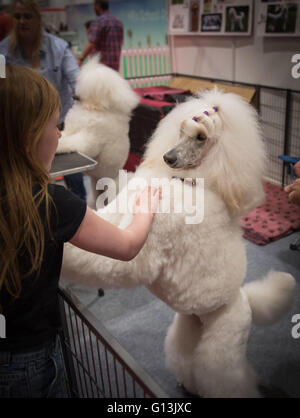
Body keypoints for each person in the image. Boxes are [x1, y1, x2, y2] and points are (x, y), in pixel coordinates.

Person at [0, 64, 160, 398]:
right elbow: (128, 245)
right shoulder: (52, 203)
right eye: (51, 124)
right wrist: (145, 207)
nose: (58, 133)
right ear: (28, 134)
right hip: (29, 355)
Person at [0, 0, 86, 201]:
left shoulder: (59, 48)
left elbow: (77, 81)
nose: (22, 21)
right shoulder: (2, 52)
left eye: (27, 16)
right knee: (27, 184)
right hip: (21, 130)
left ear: (39, 18)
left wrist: (88, 101)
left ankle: (80, 206)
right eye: (17, 16)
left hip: (60, 123)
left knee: (73, 174)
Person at [78, 0, 123, 71]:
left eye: (94, 5)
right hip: (114, 69)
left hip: (100, 68)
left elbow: (91, 43)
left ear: (98, 5)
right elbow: (121, 43)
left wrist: (81, 59)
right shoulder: (118, 22)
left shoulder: (99, 21)